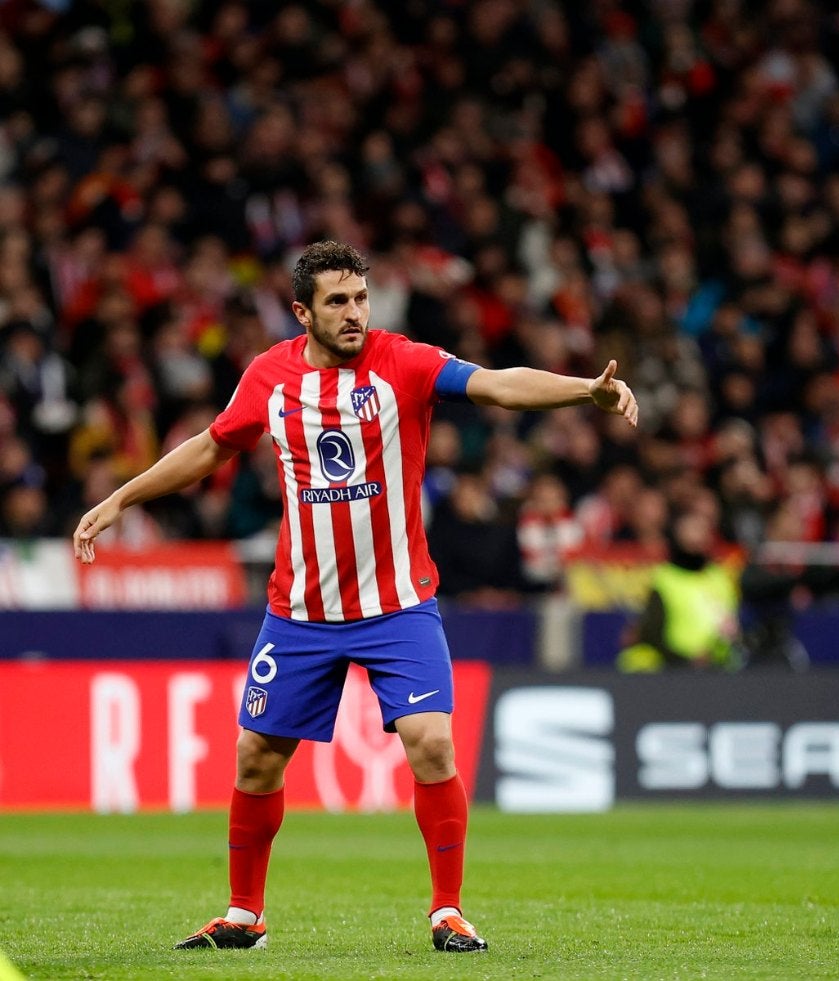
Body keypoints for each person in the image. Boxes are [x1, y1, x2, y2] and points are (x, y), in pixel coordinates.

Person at [73, 240, 638, 954]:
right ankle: (244, 914)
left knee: (432, 742)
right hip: (302, 612)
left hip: (397, 604)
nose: (354, 313)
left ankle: (448, 912)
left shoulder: (403, 361)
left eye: (361, 298)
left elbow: (496, 384)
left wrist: (585, 389)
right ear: (301, 311)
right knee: (255, 757)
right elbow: (213, 445)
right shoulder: (270, 376)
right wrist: (121, 498)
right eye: (337, 301)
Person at [617, 508, 740, 672]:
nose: (698, 536)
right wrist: (686, 659)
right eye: (691, 529)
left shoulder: (720, 577)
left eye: (702, 529)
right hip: (676, 668)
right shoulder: (665, 578)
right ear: (676, 535)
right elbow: (652, 632)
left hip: (718, 667)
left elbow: (729, 622)